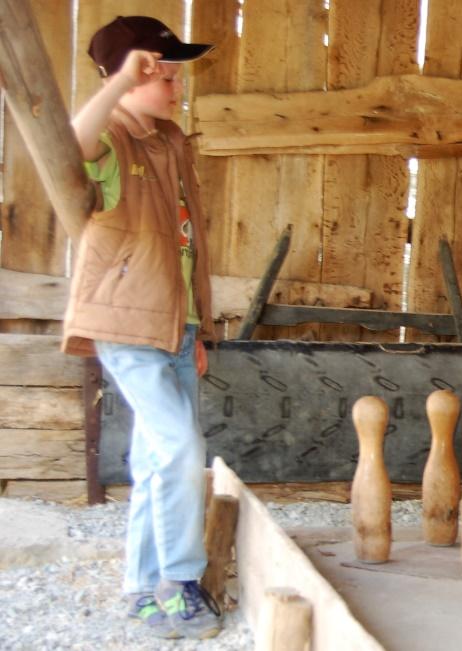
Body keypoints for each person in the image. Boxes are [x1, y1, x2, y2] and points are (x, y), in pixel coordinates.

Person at [63, 16, 220, 639]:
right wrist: (119, 84)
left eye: (175, 68)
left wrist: (199, 330)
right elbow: (70, 143)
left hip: (174, 329)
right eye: (161, 69)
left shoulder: (170, 144)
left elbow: (185, 250)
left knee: (158, 457)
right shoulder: (114, 143)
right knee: (182, 448)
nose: (175, 79)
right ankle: (180, 582)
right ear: (125, 75)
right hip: (127, 329)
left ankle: (140, 586)